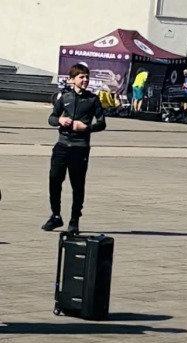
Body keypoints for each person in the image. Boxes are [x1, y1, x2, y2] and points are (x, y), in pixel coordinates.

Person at [42, 64, 106, 236]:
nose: (85, 80)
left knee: (77, 185)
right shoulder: (64, 97)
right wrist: (60, 121)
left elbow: (102, 123)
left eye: (87, 77)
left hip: (80, 147)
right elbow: (52, 118)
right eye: (81, 77)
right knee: (54, 180)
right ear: (72, 80)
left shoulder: (92, 99)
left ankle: (74, 219)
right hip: (62, 146)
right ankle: (56, 215)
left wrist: (86, 127)